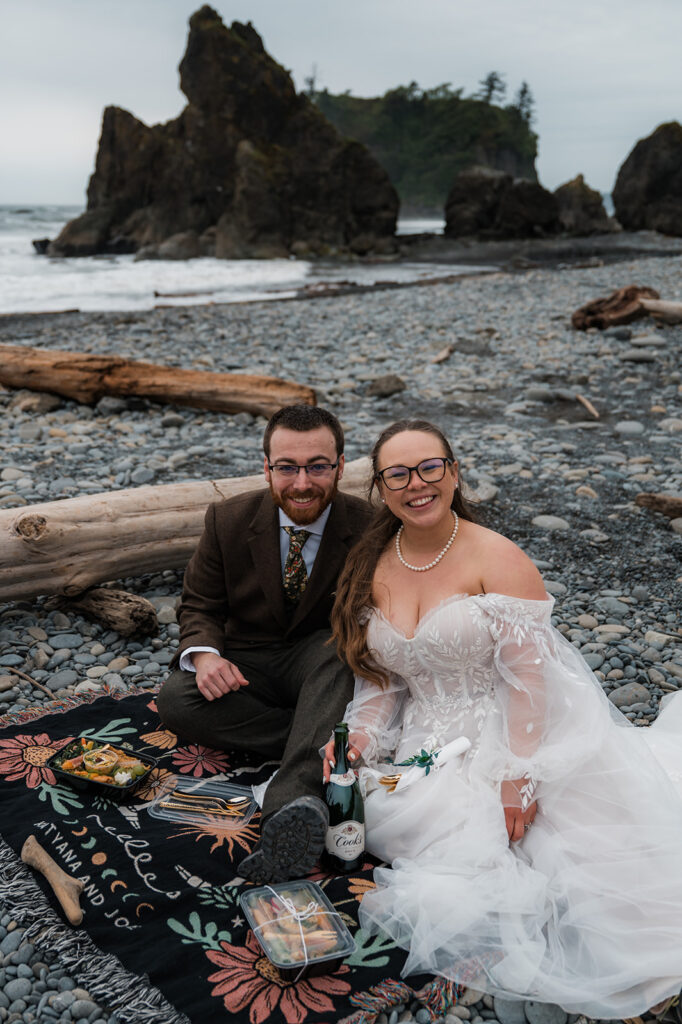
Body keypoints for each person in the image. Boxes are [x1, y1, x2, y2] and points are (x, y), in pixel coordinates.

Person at [323, 418, 682, 1020]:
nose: (418, 484)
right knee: (379, 813)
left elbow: (528, 683)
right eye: (399, 474)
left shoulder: (497, 557)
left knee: (553, 862)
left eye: (431, 467)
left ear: (454, 472)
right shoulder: (370, 566)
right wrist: (361, 736)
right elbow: (384, 677)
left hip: (510, 731)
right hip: (424, 744)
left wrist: (521, 772)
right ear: (381, 488)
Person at [157, 405, 372, 884]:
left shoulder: (367, 525)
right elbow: (198, 605)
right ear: (266, 467)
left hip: (320, 659)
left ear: (340, 466)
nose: (302, 483)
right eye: (287, 468)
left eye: (317, 466)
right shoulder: (226, 520)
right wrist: (206, 655)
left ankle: (287, 811)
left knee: (341, 654)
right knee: (175, 700)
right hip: (246, 661)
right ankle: (318, 737)